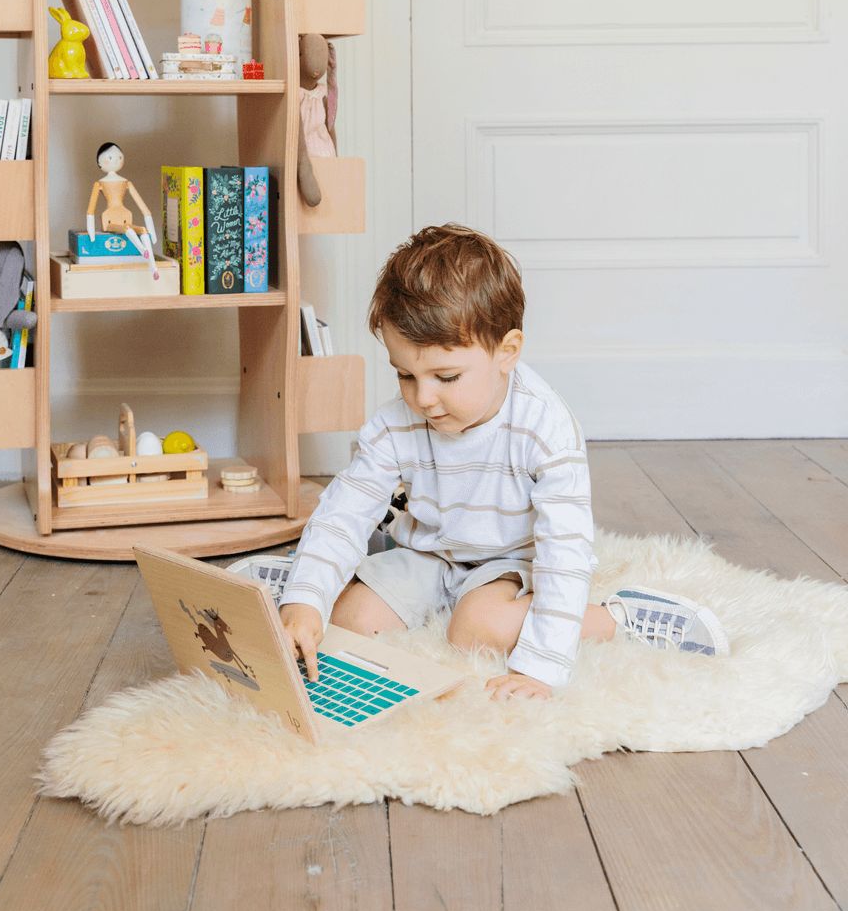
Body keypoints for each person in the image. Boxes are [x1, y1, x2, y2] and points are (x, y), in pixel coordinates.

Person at [279, 224, 729, 701]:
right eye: (405, 375)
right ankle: (298, 581)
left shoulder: (544, 427)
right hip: (430, 554)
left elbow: (565, 552)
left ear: (506, 353)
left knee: (474, 628)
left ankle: (619, 619)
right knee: (348, 622)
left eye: (446, 376)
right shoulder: (397, 424)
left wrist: (540, 669)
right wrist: (305, 600)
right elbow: (344, 511)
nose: (423, 397)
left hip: (509, 562)